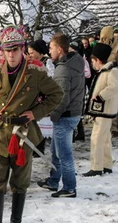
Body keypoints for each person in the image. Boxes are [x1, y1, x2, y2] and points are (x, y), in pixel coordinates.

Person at [0, 26, 63, 223]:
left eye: (15, 49)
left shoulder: (35, 71)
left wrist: (35, 113)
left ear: (22, 49)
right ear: (2, 50)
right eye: (7, 50)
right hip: (0, 132)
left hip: (23, 134)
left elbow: (56, 94)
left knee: (20, 182)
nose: (11, 54)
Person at [36, 34, 85, 198]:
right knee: (56, 151)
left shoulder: (63, 68)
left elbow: (62, 97)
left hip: (66, 115)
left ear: (59, 48)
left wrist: (54, 114)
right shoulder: (75, 61)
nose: (49, 51)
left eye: (50, 48)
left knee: (64, 154)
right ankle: (53, 181)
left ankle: (70, 187)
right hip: (72, 112)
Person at [83, 43, 118, 176]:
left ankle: (96, 167)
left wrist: (100, 96)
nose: (92, 64)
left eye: (93, 61)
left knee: (97, 138)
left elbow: (114, 87)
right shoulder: (105, 71)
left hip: (104, 110)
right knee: (105, 138)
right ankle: (106, 164)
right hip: (103, 110)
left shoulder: (111, 71)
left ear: (98, 60)